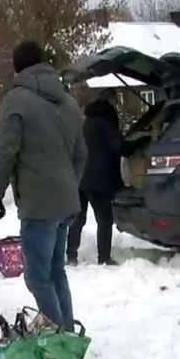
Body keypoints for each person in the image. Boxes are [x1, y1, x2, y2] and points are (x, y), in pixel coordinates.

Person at [0, 40, 87, 329]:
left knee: (38, 277)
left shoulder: (17, 100)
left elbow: (6, 150)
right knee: (56, 272)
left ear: (17, 68)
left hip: (39, 206)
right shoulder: (67, 101)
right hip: (66, 202)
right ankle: (66, 337)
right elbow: (81, 153)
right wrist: (69, 185)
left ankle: (59, 344)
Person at [68, 90, 127, 266]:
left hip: (80, 177)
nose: (117, 104)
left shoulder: (85, 122)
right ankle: (104, 258)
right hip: (99, 179)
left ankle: (70, 255)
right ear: (110, 101)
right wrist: (135, 145)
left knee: (78, 218)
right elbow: (117, 147)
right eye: (116, 100)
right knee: (105, 219)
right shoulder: (107, 121)